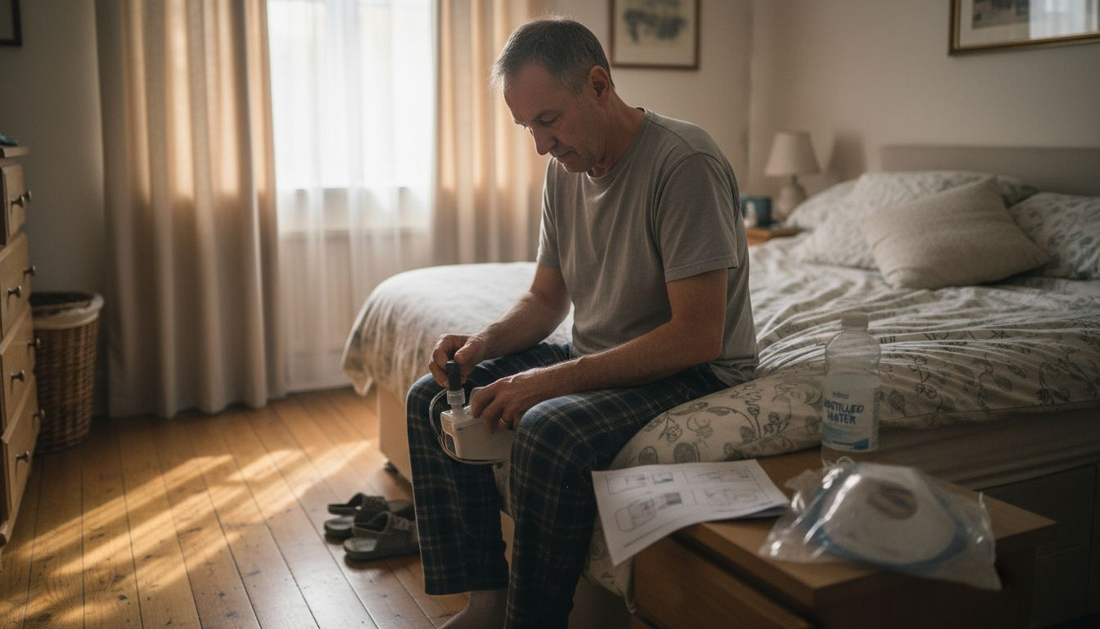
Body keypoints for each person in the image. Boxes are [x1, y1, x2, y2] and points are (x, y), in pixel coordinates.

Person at [406, 17, 757, 629]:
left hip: (697, 370)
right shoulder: (563, 172)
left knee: (547, 430)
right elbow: (546, 299)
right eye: (527, 128)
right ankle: (485, 603)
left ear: (599, 85)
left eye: (548, 121)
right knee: (434, 397)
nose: (541, 145)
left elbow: (699, 335)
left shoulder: (684, 163)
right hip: (604, 351)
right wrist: (482, 345)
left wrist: (549, 381)